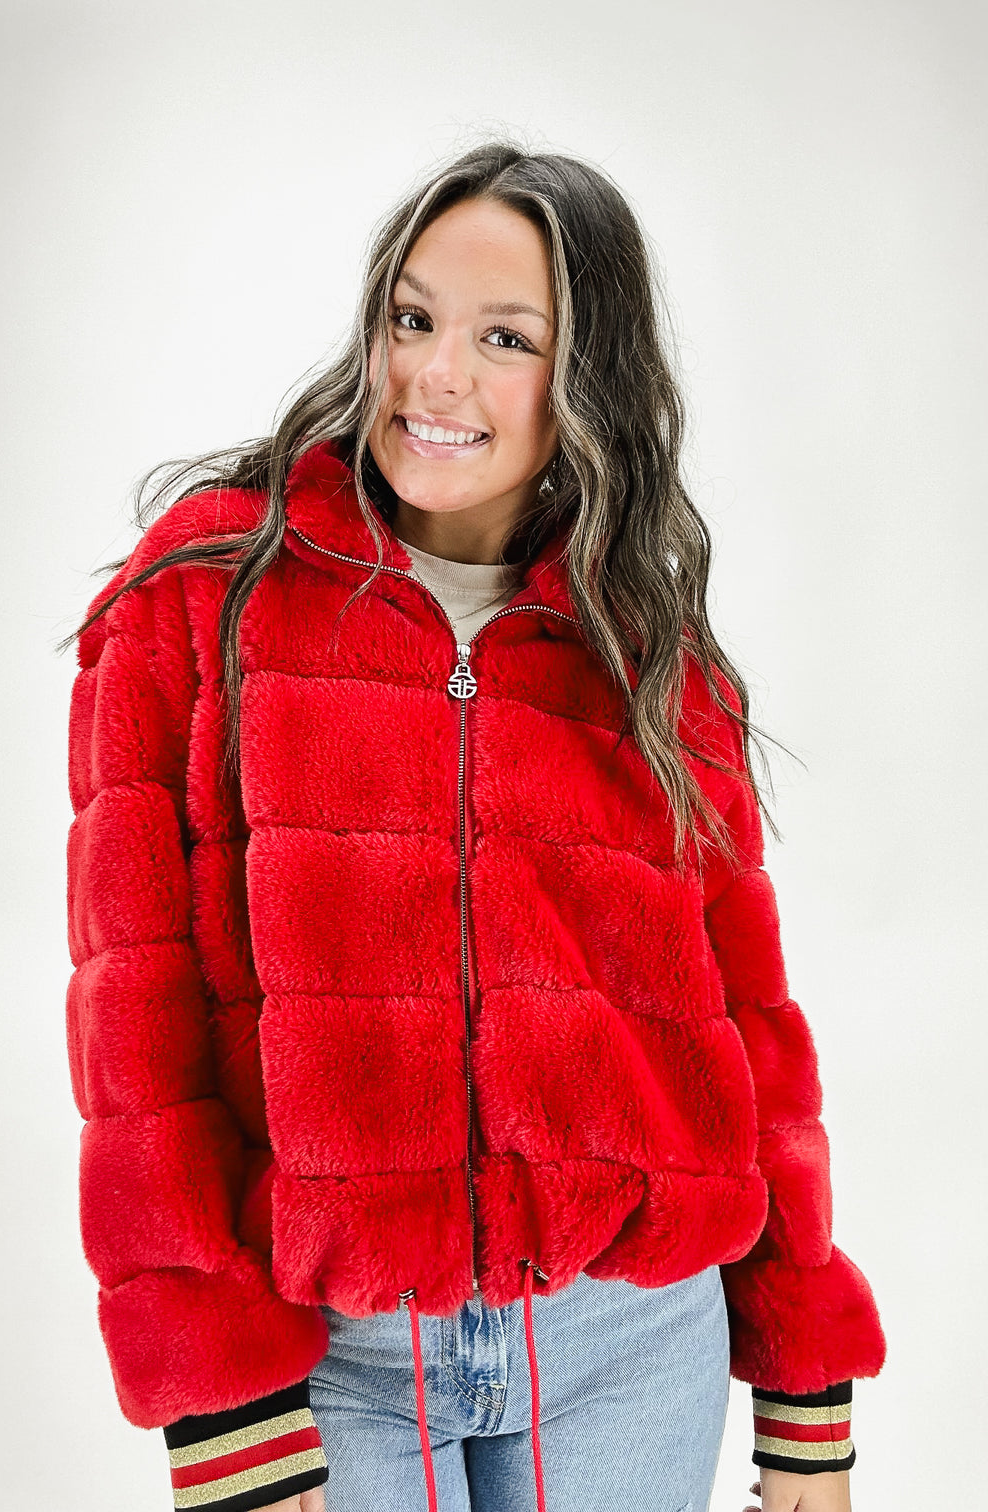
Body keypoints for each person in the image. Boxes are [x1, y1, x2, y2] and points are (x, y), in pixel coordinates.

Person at [61, 140, 886, 1512]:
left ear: (588, 382)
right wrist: (224, 1407)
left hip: (632, 1339)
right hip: (341, 1363)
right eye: (413, 317)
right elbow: (133, 1031)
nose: (436, 375)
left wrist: (806, 1387)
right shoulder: (198, 604)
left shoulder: (648, 646)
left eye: (506, 337)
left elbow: (746, 1023)